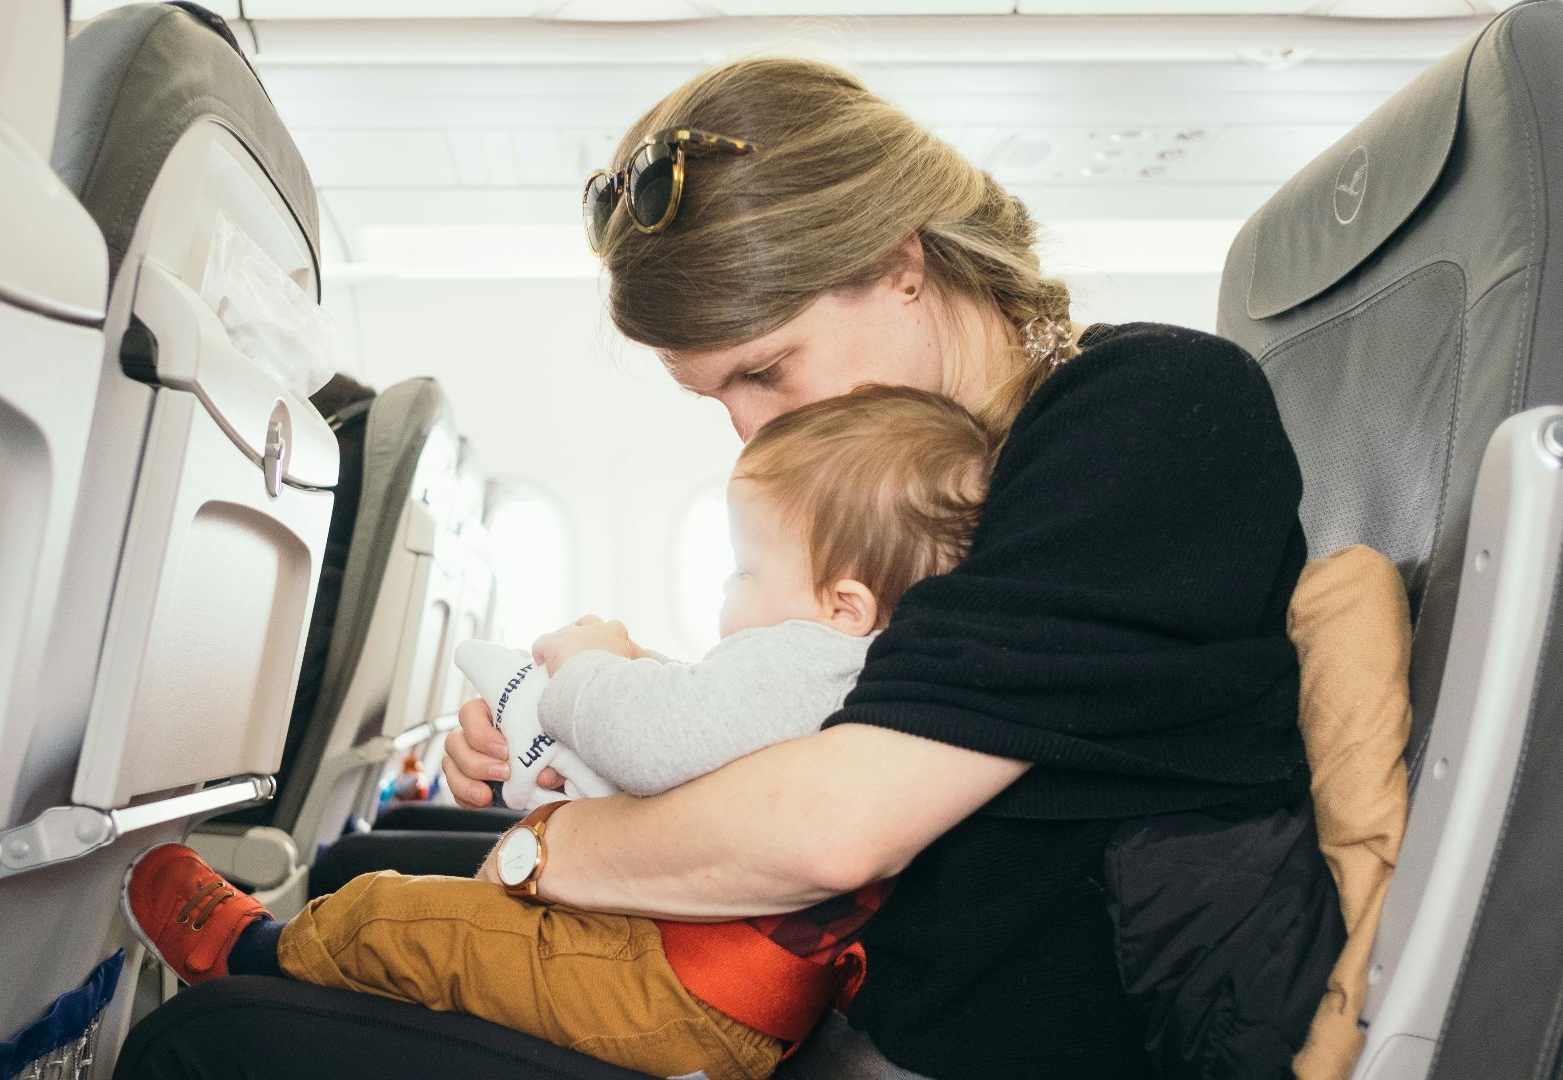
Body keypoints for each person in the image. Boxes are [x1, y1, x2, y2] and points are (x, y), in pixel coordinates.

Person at [118, 56, 1340, 1080]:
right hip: (811, 1005)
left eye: (765, 369)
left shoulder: (1149, 413)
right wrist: (570, 724)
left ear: (903, 264)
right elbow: (859, 707)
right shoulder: (941, 463)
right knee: (350, 880)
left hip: (910, 1047)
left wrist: (557, 846)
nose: (751, 427)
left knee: (213, 1046)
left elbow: (831, 829)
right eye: (715, 395)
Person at [122, 386, 998, 1080]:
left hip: (670, 988)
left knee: (402, 915)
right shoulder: (864, 667)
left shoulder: (813, 655)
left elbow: (657, 741)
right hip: (709, 997)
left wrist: (586, 664)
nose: (730, 595)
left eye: (744, 570)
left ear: (844, 603)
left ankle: (256, 955)